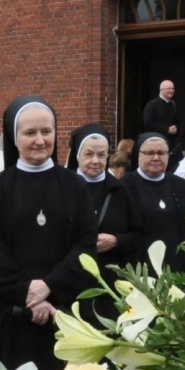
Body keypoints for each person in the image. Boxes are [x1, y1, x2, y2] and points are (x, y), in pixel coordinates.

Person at [0, 96, 98, 370]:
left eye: (47, 131)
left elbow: (86, 244)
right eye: (30, 133)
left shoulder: (75, 187)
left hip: (62, 312)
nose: (40, 140)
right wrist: (28, 292)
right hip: (8, 315)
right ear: (14, 138)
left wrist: (50, 285)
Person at [67, 124, 143, 313]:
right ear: (77, 154)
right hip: (70, 283)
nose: (95, 160)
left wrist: (117, 241)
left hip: (110, 287)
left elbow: (139, 236)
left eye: (101, 155)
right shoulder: (62, 188)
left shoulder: (120, 190)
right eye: (88, 154)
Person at [124, 131, 185, 275]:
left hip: (178, 266)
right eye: (150, 153)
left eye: (161, 153)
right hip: (141, 268)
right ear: (139, 154)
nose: (156, 157)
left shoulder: (181, 185)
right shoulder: (125, 186)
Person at [141, 80, 179, 147]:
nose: (172, 91)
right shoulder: (152, 104)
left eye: (173, 88)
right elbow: (148, 124)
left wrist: (175, 128)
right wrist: (167, 129)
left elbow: (176, 121)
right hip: (156, 142)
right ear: (161, 90)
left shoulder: (173, 104)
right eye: (169, 88)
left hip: (170, 142)